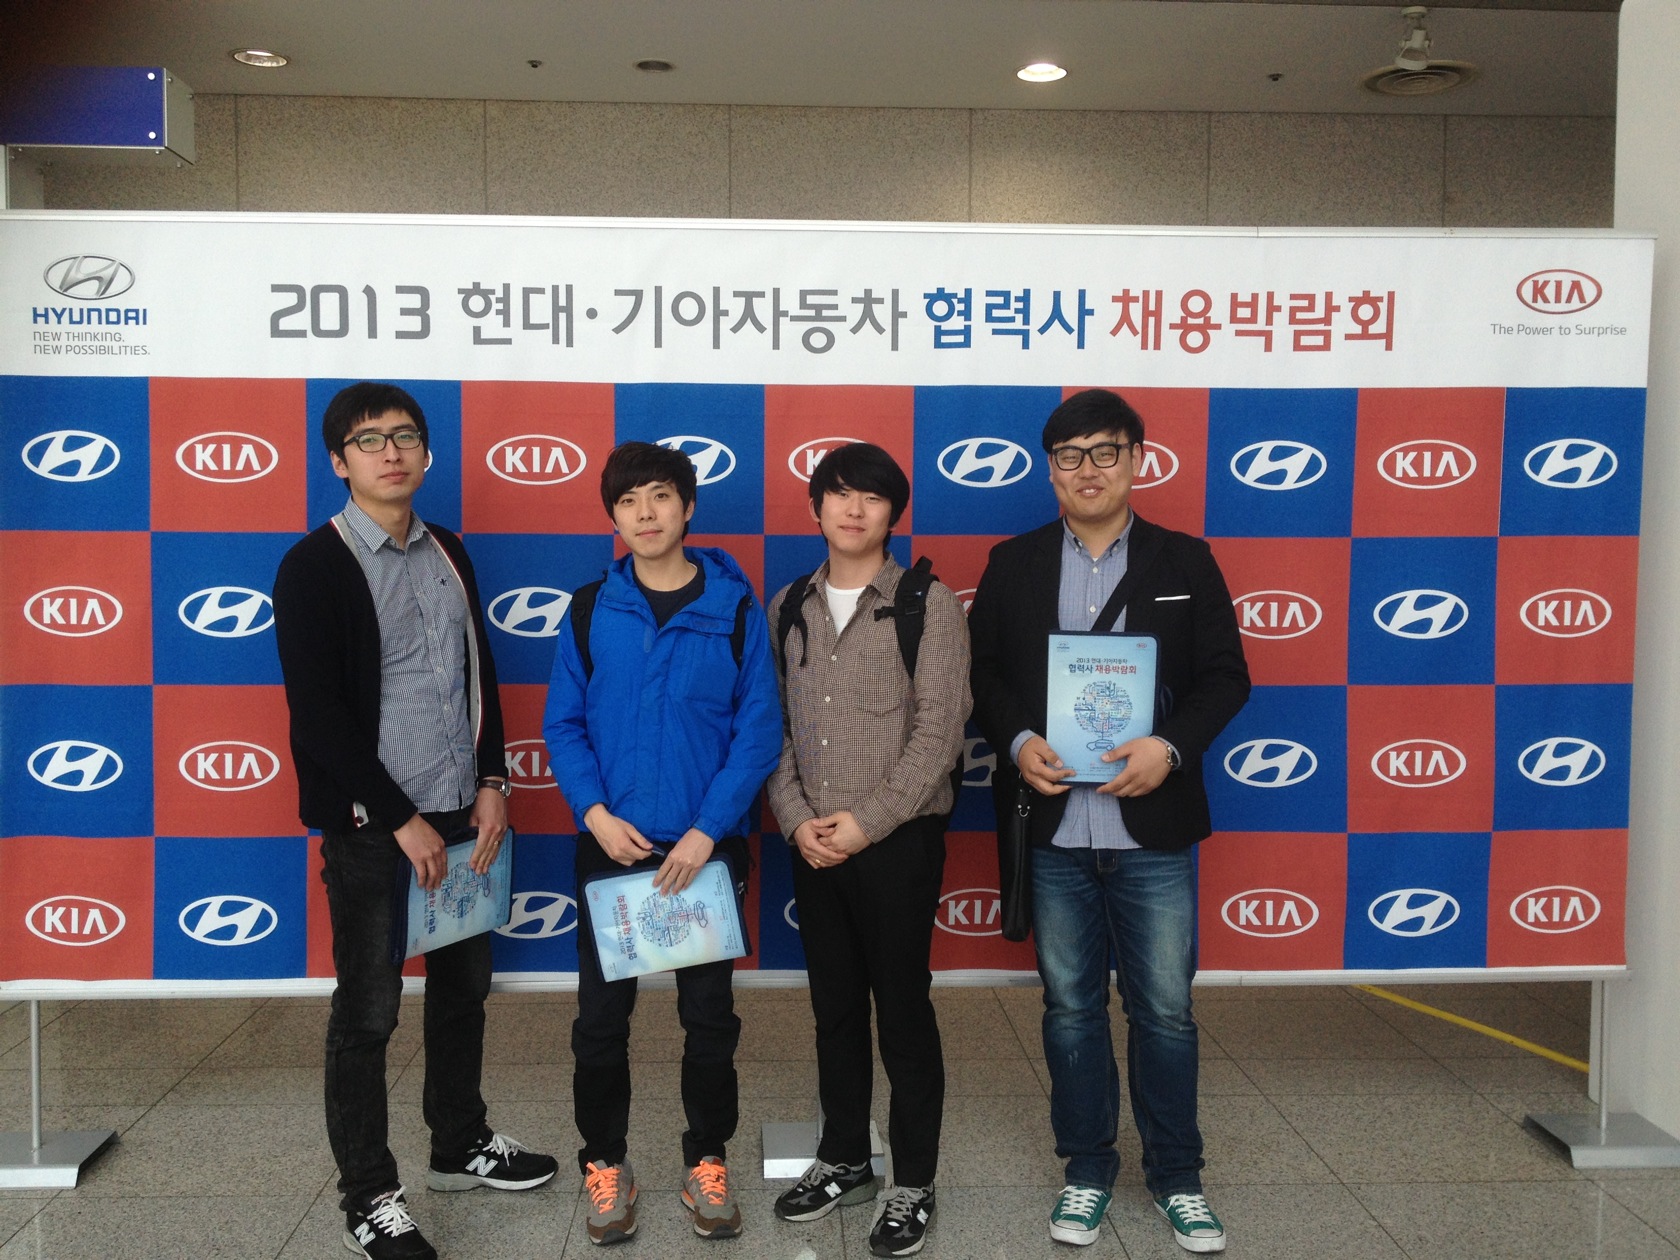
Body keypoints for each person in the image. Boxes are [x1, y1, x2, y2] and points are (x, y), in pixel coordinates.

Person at [274, 382, 558, 1260]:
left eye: (405, 436)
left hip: (462, 812)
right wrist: (400, 818)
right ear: (339, 460)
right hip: (374, 828)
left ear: (427, 453)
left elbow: (480, 674)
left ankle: (458, 1142)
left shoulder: (449, 552)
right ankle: (368, 1198)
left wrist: (492, 780)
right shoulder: (314, 566)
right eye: (369, 440)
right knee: (367, 1014)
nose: (390, 452)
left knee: (464, 991)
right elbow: (318, 716)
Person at [967, 390, 1250, 1254]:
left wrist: (1170, 745)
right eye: (1069, 455)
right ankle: (1087, 1169)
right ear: (1049, 469)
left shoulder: (1185, 559)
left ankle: (1178, 1178)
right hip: (1054, 829)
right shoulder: (1013, 562)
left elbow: (1226, 676)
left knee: (1165, 1012)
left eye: (1104, 452)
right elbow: (983, 674)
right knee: (1071, 1010)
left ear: (1136, 460)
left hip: (1151, 830)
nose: (1086, 469)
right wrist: (1019, 740)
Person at [542, 441, 782, 1245]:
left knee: (709, 1018)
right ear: (613, 516)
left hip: (703, 854)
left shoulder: (737, 611)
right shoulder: (590, 609)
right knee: (599, 1022)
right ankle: (605, 1162)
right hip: (610, 848)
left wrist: (707, 831)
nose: (645, 513)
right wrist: (594, 813)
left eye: (660, 495)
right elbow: (563, 725)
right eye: (628, 501)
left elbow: (758, 732)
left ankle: (706, 1158)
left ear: (688, 507)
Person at [765, 442, 972, 1258]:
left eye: (872, 497)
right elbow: (774, 727)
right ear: (816, 508)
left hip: (896, 844)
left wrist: (866, 823)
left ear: (893, 513)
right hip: (813, 843)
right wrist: (796, 820)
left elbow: (940, 733)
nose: (854, 509)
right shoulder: (790, 603)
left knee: (904, 1012)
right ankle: (845, 1157)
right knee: (835, 1009)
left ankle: (912, 1181)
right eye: (839, 494)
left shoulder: (929, 604)